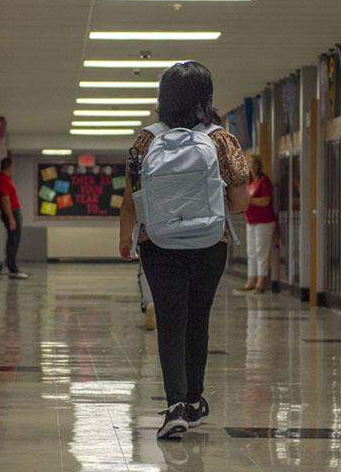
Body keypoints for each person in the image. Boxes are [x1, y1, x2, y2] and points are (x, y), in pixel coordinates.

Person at [118, 61, 250, 439]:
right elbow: (240, 202)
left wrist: (126, 236)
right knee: (197, 319)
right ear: (206, 97)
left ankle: (174, 404)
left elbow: (131, 198)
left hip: (158, 244)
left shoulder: (145, 140)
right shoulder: (221, 139)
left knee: (170, 323)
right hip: (211, 244)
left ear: (163, 96)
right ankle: (194, 400)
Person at [237, 154, 275, 294]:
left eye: (254, 163)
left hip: (263, 222)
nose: (251, 165)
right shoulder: (250, 182)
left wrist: (249, 200)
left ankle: (260, 282)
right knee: (251, 251)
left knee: (261, 251)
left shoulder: (263, 181)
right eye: (249, 163)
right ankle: (250, 280)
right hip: (250, 221)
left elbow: (265, 201)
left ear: (259, 165)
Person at [0, 157, 28, 279]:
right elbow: (5, 199)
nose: (13, 169)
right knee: (13, 240)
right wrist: (11, 218)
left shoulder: (6, 180)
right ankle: (13, 269)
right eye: (12, 167)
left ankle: (13, 267)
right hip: (12, 213)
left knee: (14, 240)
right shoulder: (2, 180)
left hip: (13, 212)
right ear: (9, 166)